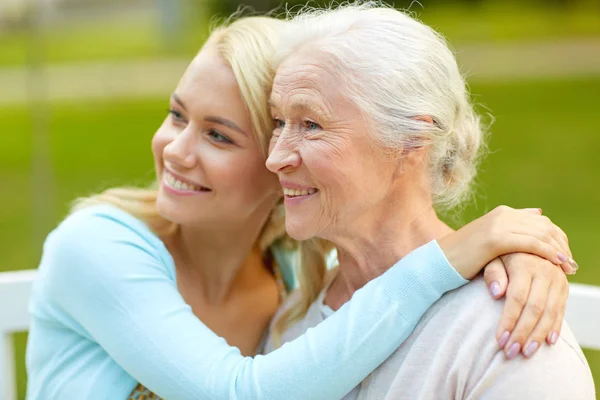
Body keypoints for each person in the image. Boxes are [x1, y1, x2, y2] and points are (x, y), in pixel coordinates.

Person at [26, 14, 576, 400]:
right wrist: (452, 255)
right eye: (176, 114)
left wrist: (516, 256)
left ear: (413, 142)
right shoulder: (102, 247)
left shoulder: (293, 278)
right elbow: (238, 393)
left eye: (220, 136)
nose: (175, 148)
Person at [264, 3, 595, 399]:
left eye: (311, 124)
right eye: (278, 123)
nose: (275, 157)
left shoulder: (512, 331)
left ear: (411, 141)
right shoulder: (292, 321)